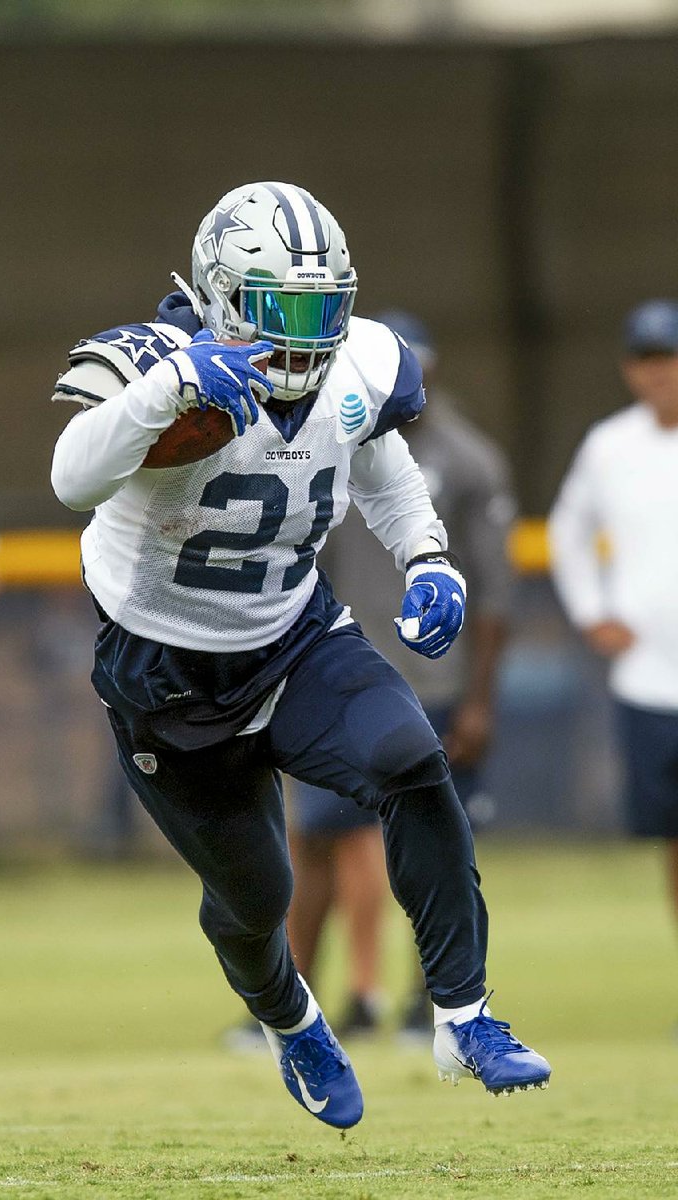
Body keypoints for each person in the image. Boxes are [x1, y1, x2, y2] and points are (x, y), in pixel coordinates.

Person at [50, 180, 550, 1129]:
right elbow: (72, 474)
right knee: (256, 896)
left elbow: (380, 461)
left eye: (326, 308)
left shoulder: (355, 364)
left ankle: (464, 1015)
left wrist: (429, 557)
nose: (308, 334)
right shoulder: (157, 363)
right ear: (226, 293)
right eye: (285, 310)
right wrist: (174, 384)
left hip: (293, 636)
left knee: (411, 761)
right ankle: (291, 1020)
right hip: (166, 672)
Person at [278, 311, 517, 1047]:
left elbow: (498, 593)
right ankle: (310, 1003)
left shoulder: (469, 459)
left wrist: (479, 698)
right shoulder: (325, 436)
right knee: (319, 844)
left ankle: (430, 1000)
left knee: (432, 843)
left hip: (432, 680)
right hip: (336, 671)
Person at [549, 298, 678, 1006]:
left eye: (669, 360)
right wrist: (593, 613)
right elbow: (569, 532)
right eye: (647, 362)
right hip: (650, 679)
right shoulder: (609, 446)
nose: (659, 376)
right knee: (673, 843)